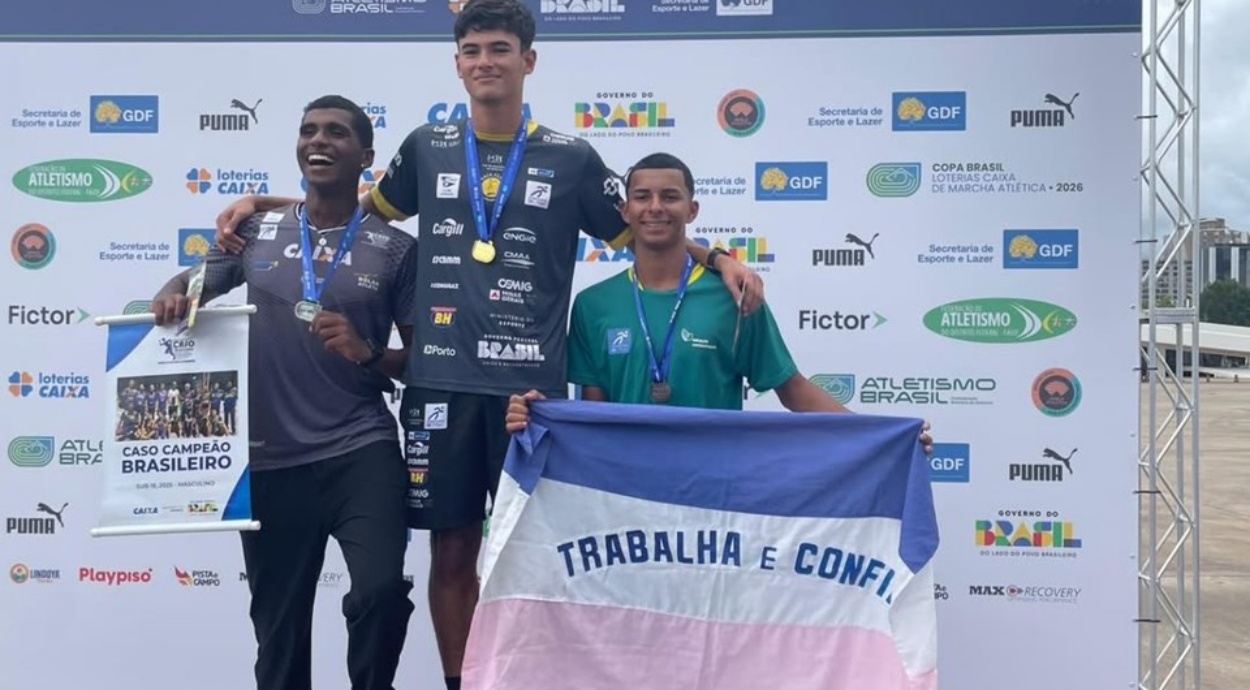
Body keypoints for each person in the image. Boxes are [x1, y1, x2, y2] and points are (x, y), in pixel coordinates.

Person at [208, 3, 766, 688]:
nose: (485, 62)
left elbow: (651, 229)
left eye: (500, 49)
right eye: (472, 51)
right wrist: (263, 205)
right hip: (439, 388)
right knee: (451, 552)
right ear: (457, 65)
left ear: (528, 60)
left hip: (527, 398)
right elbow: (345, 213)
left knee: (531, 558)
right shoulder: (427, 146)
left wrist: (719, 260)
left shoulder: (571, 157)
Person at [149, 95, 419, 690]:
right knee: (279, 633)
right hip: (271, 459)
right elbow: (195, 282)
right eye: (309, 131)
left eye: (336, 133)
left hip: (360, 449)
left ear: (366, 157)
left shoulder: (397, 249)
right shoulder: (255, 231)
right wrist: (172, 292)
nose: (318, 141)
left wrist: (368, 352)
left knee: (379, 591)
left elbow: (422, 362)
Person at [504, 152, 934, 453]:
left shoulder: (735, 296)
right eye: (643, 197)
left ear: (692, 210)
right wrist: (536, 414)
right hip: (625, 490)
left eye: (670, 196)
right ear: (625, 211)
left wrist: (886, 439)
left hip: (716, 491)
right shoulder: (593, 305)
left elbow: (792, 389)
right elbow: (591, 415)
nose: (656, 207)